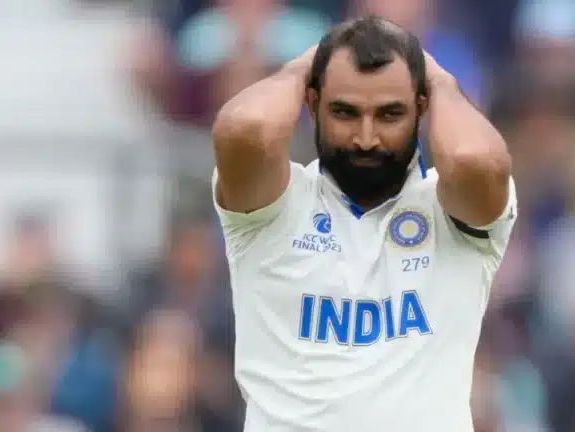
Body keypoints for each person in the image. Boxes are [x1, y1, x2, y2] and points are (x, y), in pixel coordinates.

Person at [211, 16, 517, 431]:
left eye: (390, 114)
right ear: (312, 102)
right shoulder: (275, 210)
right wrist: (307, 63)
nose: (367, 137)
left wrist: (442, 82)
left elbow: (474, 160)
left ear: (422, 109)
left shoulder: (450, 214)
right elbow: (246, 128)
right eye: (345, 112)